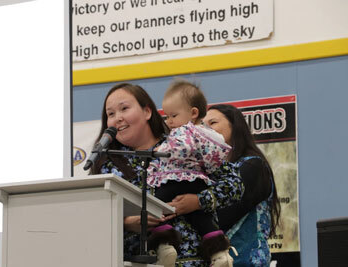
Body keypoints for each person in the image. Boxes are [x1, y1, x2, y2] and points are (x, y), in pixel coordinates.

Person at [90, 83, 244, 267]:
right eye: (111, 114)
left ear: (147, 112)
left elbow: (235, 185)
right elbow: (94, 219)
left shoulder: (185, 144)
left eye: (124, 108)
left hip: (195, 262)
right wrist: (127, 222)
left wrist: (198, 201)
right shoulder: (108, 165)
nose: (118, 118)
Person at [146, 80, 234, 267]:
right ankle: (220, 253)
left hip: (174, 180)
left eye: (173, 116)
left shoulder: (183, 132)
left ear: (193, 113)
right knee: (202, 219)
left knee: (157, 206)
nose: (169, 122)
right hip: (198, 182)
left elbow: (180, 148)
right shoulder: (208, 134)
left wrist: (160, 152)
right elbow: (215, 157)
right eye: (166, 117)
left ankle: (164, 246)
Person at [200, 104, 281, 266]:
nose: (205, 129)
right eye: (202, 125)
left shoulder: (253, 166)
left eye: (213, 123)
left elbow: (223, 215)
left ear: (235, 127)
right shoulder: (209, 172)